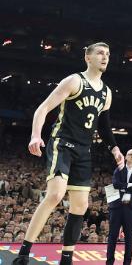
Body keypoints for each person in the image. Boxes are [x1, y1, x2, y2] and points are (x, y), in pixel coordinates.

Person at [15, 42, 124, 265]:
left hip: (84, 151)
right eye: (101, 53)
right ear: (88, 57)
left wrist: (115, 148)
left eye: (108, 54)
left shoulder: (106, 92)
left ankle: (66, 258)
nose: (105, 57)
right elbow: (43, 108)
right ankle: (24, 253)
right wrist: (36, 135)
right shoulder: (75, 80)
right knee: (55, 194)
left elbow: (103, 125)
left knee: (81, 206)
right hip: (62, 144)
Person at [108, 149, 132, 265]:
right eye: (130, 154)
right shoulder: (119, 169)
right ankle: (109, 262)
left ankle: (127, 263)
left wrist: (123, 187)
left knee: (129, 237)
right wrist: (130, 185)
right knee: (112, 236)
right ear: (126, 156)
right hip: (117, 207)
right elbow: (115, 184)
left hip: (131, 208)